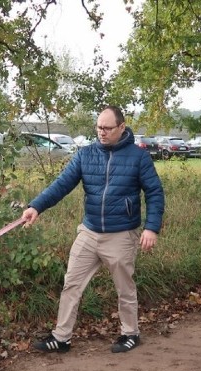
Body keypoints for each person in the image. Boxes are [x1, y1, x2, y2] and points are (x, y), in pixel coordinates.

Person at [21, 106, 165, 353]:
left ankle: (130, 333)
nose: (102, 132)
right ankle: (61, 337)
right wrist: (36, 206)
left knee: (124, 288)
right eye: (99, 127)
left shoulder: (138, 157)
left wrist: (151, 228)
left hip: (121, 234)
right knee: (71, 284)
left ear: (122, 127)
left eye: (108, 128)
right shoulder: (85, 154)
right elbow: (62, 184)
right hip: (88, 233)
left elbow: (154, 193)